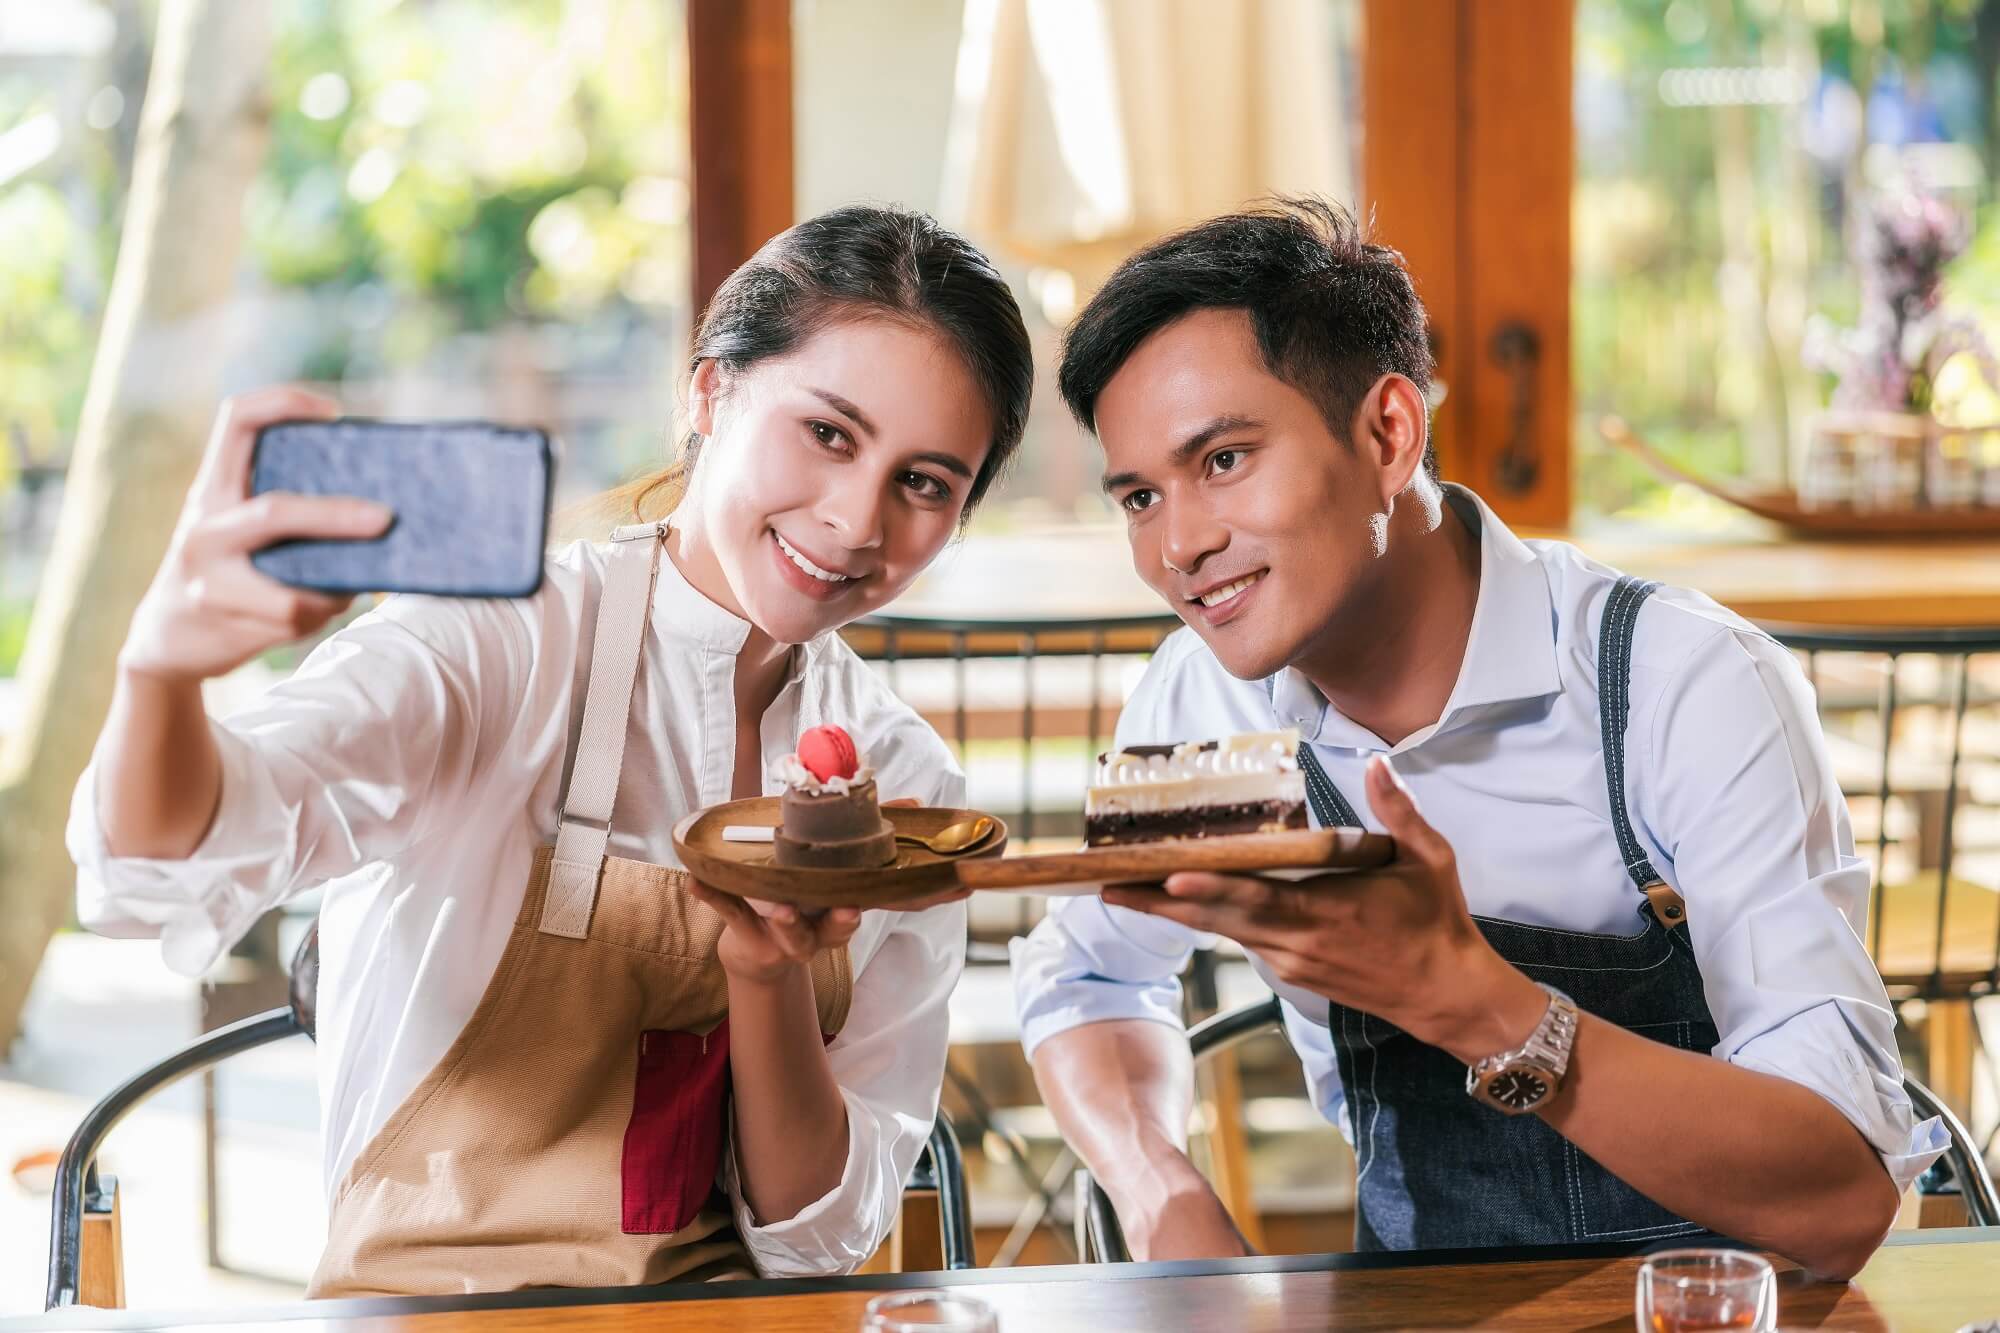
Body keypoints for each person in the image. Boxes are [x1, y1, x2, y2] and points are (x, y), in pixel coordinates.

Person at [69, 204, 1033, 1296]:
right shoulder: (494, 644)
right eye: (826, 433)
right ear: (709, 392)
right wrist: (161, 670)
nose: (859, 521)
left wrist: (765, 975)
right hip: (428, 1314)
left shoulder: (903, 787)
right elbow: (165, 864)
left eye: (923, 483)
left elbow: (813, 1238)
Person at [1012, 198, 1944, 1279]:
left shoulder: (1675, 685)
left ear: (1386, 432)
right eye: (1138, 495)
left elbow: (1838, 1201)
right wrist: (1163, 1198)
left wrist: (1470, 1000)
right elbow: (1086, 977)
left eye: (1222, 461)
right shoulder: (1207, 699)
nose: (1178, 545)